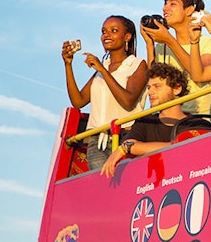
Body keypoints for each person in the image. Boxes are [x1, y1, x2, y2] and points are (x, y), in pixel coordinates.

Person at [61, 15, 147, 170]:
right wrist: (68, 64)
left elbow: (128, 102)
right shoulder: (103, 67)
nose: (106, 35)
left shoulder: (137, 64)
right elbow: (78, 101)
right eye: (103, 31)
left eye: (113, 31)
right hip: (97, 140)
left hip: (125, 137)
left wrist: (102, 70)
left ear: (127, 36)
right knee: (102, 188)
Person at [99, 62, 211, 177]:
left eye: (157, 86)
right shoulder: (146, 121)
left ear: (177, 89)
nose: (150, 92)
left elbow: (187, 150)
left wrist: (129, 147)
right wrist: (128, 147)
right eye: (149, 87)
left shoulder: (197, 123)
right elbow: (130, 143)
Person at [141, 0, 211, 116]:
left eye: (172, 4)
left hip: (198, 118)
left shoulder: (208, 42)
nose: (165, 9)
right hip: (167, 118)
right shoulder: (162, 47)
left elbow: (198, 72)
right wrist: (149, 44)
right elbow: (153, 81)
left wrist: (169, 40)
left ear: (189, 10)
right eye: (165, 4)